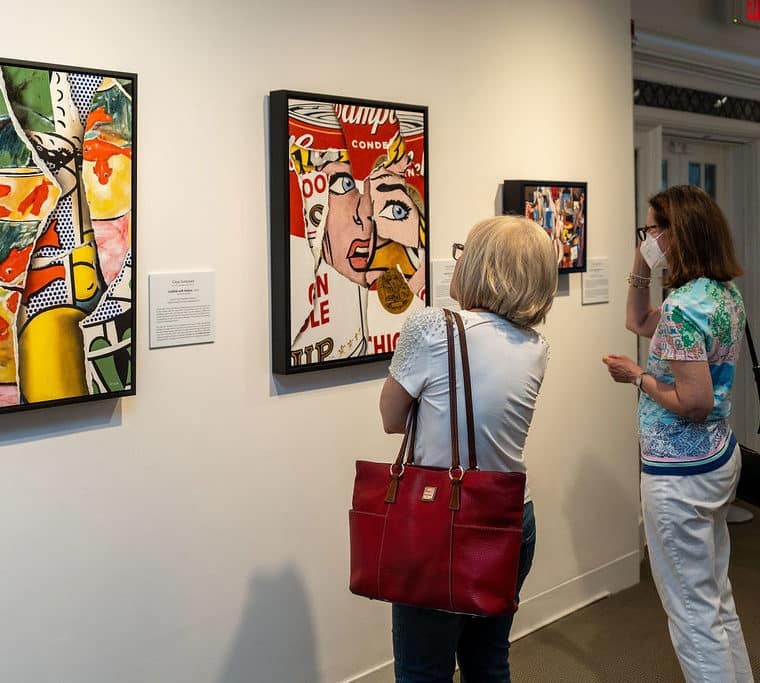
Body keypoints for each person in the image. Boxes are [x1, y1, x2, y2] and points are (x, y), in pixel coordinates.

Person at [379, 215, 557, 682]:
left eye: (463, 251)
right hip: (511, 517)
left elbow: (391, 419)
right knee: (488, 661)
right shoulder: (536, 345)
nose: (456, 260)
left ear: (482, 264)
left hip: (442, 524)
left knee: (423, 671)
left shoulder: (431, 327)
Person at [602, 185, 753, 683]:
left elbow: (694, 402)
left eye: (650, 230)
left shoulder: (684, 308)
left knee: (692, 615)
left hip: (680, 475)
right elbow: (637, 320)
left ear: (674, 233)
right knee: (715, 599)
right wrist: (640, 263)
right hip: (716, 459)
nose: (645, 238)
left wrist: (637, 376)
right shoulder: (722, 294)